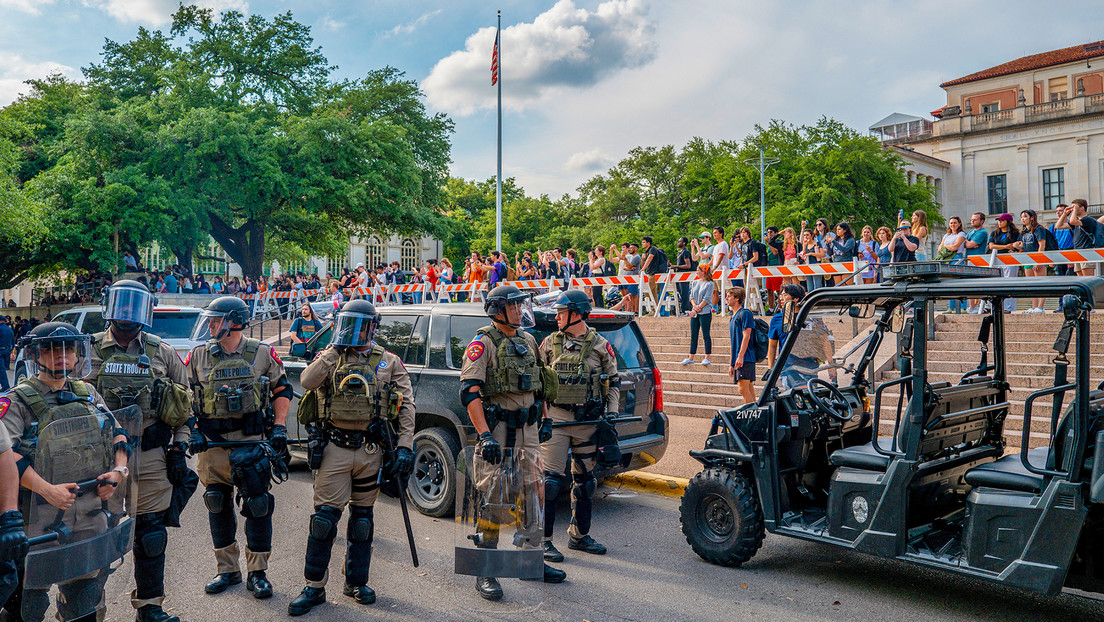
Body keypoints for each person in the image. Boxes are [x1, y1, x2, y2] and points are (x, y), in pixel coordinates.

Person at [288, 300, 415, 615]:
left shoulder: (388, 361)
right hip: (334, 449)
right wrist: (332, 351)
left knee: (362, 522)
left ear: (373, 327)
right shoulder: (330, 357)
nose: (355, 331)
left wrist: (405, 447)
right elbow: (306, 381)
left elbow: (407, 406)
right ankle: (314, 587)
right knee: (323, 520)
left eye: (362, 325)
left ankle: (356, 582)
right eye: (349, 323)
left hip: (371, 450)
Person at [2, 322, 130, 622]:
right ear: (36, 354)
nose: (61, 355)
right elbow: (7, 457)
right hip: (37, 519)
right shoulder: (17, 400)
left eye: (68, 348)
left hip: (88, 515)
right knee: (25, 606)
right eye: (51, 348)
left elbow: (120, 434)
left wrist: (117, 472)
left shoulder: (88, 394)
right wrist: (47, 489)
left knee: (84, 603)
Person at [87, 280, 193, 622]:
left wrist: (180, 446)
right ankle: (87, 610)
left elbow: (185, 404)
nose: (128, 314)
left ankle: (150, 607)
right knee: (96, 535)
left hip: (150, 456)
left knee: (151, 534)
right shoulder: (88, 350)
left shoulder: (161, 351)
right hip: (101, 459)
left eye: (135, 306)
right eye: (122, 304)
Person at [458, 285, 565, 600]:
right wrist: (485, 435)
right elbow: (469, 393)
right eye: (514, 305)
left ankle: (529, 562)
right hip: (500, 432)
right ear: (498, 309)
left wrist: (544, 418)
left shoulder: (528, 340)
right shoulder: (483, 344)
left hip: (529, 432)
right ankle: (485, 571)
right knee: (495, 498)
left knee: (535, 494)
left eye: (521, 305)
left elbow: (539, 386)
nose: (520, 310)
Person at [185, 296, 293, 600]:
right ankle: (227, 570)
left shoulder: (261, 354)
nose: (210, 325)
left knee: (258, 506)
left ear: (233, 322)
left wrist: (280, 426)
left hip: (252, 442)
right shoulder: (198, 357)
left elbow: (282, 389)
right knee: (216, 502)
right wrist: (192, 430)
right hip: (212, 446)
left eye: (215, 320)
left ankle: (258, 574)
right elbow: (184, 395)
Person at [538, 290, 619, 563]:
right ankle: (544, 541)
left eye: (561, 312)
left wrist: (613, 413)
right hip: (558, 421)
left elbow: (614, 381)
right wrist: (544, 416)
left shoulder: (600, 345)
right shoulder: (549, 343)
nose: (557, 316)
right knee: (550, 483)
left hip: (587, 422)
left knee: (585, 483)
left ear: (576, 313)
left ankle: (579, 536)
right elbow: (539, 384)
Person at [726, 287, 757, 404]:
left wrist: (740, 356)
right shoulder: (733, 317)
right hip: (739, 358)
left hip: (746, 357)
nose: (726, 299)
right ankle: (756, 413)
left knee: (742, 389)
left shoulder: (745, 313)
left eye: (729, 296)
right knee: (748, 388)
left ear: (737, 298)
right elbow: (733, 342)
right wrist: (731, 364)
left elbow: (747, 334)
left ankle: (750, 414)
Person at [1016, 209, 1049, 313]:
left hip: (1038, 258)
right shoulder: (1024, 231)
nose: (1023, 219)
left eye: (1025, 216)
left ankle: (1040, 307)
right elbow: (1022, 245)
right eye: (1021, 217)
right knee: (1031, 284)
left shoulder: (1038, 229)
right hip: (1027, 259)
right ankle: (1034, 307)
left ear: (1032, 218)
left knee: (1041, 283)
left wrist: (1038, 261)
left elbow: (1042, 244)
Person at [682, 264, 715, 366]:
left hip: (704, 312)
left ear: (703, 271)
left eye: (698, 270)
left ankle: (707, 357)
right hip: (695, 311)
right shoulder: (695, 282)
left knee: (706, 335)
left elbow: (707, 299)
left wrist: (696, 309)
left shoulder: (710, 284)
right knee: (693, 335)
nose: (696, 272)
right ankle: (691, 357)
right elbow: (691, 296)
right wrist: (694, 306)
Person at [1056, 198, 1098, 277]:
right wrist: (1064, 214)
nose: (1072, 209)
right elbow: (1058, 226)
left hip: (1087, 252)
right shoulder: (1077, 221)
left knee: (1087, 279)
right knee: (1080, 279)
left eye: (1075, 207)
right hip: (1078, 251)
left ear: (1082, 208)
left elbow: (1072, 221)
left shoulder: (1087, 220)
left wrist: (1074, 211)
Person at [989, 213, 1021, 313]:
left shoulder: (1015, 233)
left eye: (1002, 220)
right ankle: (994, 306)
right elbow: (991, 246)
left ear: (1007, 222)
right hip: (997, 260)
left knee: (1010, 283)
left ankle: (1008, 307)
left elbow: (1017, 246)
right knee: (995, 283)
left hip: (1010, 260)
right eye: (999, 221)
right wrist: (1006, 247)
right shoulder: (995, 233)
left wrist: (1010, 248)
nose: (1000, 222)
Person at [937, 216, 968, 312]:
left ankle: (963, 307)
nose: (952, 225)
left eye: (955, 223)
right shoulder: (946, 235)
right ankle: (951, 307)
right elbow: (939, 249)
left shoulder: (962, 234)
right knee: (949, 283)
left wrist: (945, 246)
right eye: (951, 223)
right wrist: (948, 246)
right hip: (948, 259)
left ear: (959, 224)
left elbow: (955, 247)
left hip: (957, 257)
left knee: (959, 283)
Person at [964, 213, 990, 313]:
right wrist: (968, 244)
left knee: (979, 284)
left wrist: (968, 244)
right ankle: (972, 307)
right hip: (969, 260)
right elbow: (965, 244)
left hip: (979, 260)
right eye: (972, 219)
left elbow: (970, 244)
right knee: (969, 284)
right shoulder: (970, 232)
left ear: (982, 221)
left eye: (975, 219)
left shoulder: (982, 232)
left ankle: (981, 306)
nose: (972, 221)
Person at [763, 226, 783, 312]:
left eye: (771, 232)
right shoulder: (768, 243)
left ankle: (780, 308)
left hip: (777, 266)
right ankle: (770, 308)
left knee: (778, 290)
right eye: (768, 232)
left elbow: (775, 252)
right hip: (769, 267)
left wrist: (769, 243)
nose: (769, 234)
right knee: (769, 289)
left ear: (775, 233)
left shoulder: (779, 242)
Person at [673, 238, 694, 316]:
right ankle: (683, 310)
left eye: (680, 241)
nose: (678, 243)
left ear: (684, 243)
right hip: (679, 275)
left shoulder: (685, 252)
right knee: (681, 293)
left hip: (684, 275)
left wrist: (676, 266)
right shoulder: (679, 252)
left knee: (684, 293)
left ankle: (686, 310)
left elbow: (688, 265)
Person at [0, 317, 12, 393]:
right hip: (7, 350)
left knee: (1, 370)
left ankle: (5, 386)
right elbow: (13, 341)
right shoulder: (9, 329)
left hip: (0, 350)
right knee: (2, 368)